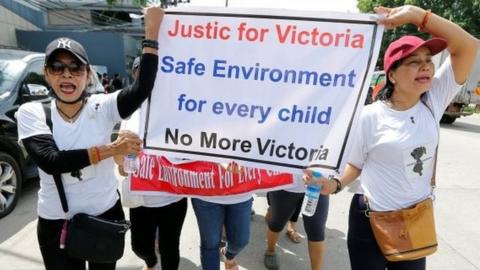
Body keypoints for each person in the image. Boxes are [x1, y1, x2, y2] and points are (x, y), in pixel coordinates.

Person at [306, 5, 478, 270]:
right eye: (413, 62)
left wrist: (415, 15)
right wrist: (335, 185)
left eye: (428, 60)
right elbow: (355, 164)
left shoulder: (433, 101)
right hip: (368, 221)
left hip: (413, 221)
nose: (425, 67)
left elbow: (468, 45)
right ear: (392, 75)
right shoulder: (368, 116)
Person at [16, 6, 164, 270]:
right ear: (47, 74)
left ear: (87, 74)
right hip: (55, 222)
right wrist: (112, 149)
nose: (67, 74)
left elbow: (142, 88)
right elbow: (51, 161)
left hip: (104, 216)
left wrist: (151, 33)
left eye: (75, 68)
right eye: (57, 67)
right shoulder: (32, 112)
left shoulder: (102, 106)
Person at [114, 60, 188, 270]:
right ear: (135, 78)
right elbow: (121, 166)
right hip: (142, 199)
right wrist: (122, 155)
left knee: (170, 248)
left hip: (173, 198)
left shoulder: (180, 113)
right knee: (140, 247)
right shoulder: (129, 114)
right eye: (141, 73)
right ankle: (150, 262)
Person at [191, 163, 253, 270]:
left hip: (241, 190)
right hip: (206, 192)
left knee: (241, 241)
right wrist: (219, 160)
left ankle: (229, 255)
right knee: (210, 244)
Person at [263, 175, 329, 270]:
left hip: (317, 186)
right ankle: (270, 250)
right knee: (276, 224)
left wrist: (336, 182)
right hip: (285, 185)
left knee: (317, 232)